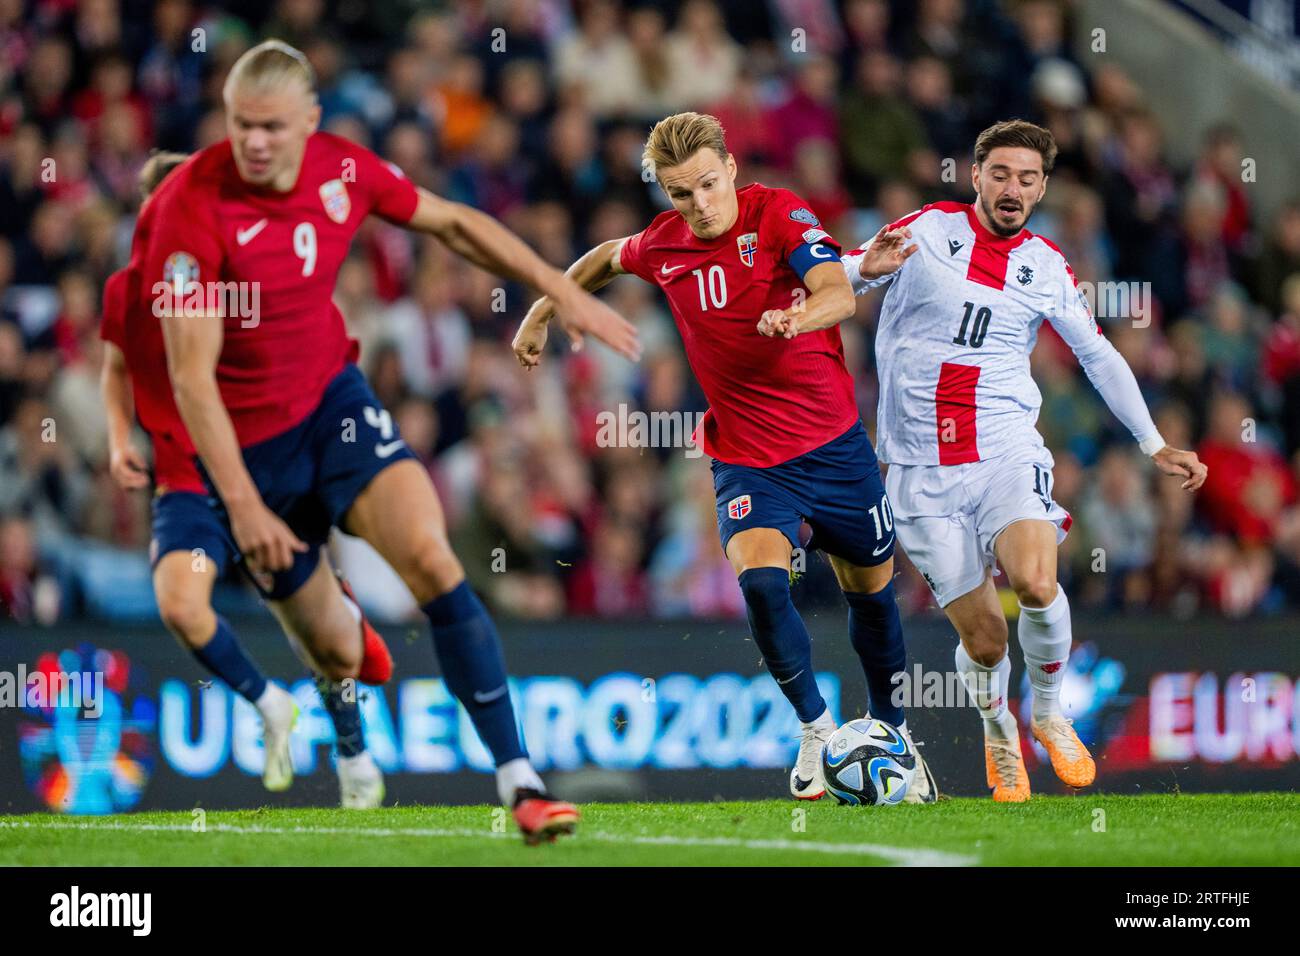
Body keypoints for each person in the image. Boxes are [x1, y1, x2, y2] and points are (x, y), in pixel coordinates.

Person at [143, 41, 638, 843]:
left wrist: (555, 290)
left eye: (272, 126)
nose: (255, 143)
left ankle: (521, 782)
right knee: (338, 656)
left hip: (333, 412)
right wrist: (242, 506)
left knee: (435, 561)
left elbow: (453, 222)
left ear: (310, 121)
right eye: (240, 126)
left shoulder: (342, 171)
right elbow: (192, 380)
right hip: (243, 453)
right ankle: (345, 690)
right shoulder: (188, 206)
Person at [513, 111, 936, 804]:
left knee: (874, 598)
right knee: (765, 584)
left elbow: (835, 291)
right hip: (747, 456)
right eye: (682, 193)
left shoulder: (778, 214)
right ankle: (814, 729)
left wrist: (796, 317)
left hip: (835, 449)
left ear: (731, 169)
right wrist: (540, 313)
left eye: (709, 184)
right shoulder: (664, 244)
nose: (700, 205)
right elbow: (602, 258)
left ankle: (895, 733)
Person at [838, 119, 1206, 801]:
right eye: (1000, 173)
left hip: (1004, 448)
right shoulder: (926, 230)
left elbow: (1097, 355)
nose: (1013, 188)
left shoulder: (1046, 268)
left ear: (1042, 188)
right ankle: (996, 725)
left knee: (1036, 582)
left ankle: (1048, 711)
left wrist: (1153, 442)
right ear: (975, 176)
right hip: (919, 470)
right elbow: (838, 278)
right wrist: (862, 269)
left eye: (1028, 178)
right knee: (983, 643)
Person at [102, 150, 392, 809]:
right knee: (179, 604)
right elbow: (116, 369)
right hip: (186, 479)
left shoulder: (242, 283)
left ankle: (352, 745)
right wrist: (121, 441)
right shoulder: (126, 291)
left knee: (323, 641)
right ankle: (269, 704)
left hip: (263, 471)